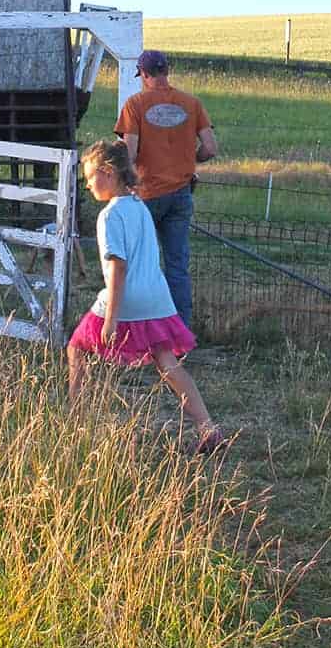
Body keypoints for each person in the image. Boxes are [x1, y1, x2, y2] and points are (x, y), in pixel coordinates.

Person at [68, 139, 224, 455]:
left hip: (126, 298)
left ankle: (76, 424)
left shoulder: (109, 216)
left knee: (76, 348)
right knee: (167, 362)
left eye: (90, 177)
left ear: (109, 173)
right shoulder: (139, 205)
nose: (87, 185)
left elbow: (118, 267)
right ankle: (208, 427)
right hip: (157, 297)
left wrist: (111, 320)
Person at [115, 50, 217, 328]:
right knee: (177, 267)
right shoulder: (191, 103)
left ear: (144, 74)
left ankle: (139, 328)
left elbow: (131, 153)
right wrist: (190, 158)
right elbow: (210, 147)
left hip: (147, 194)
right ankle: (180, 333)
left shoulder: (135, 104)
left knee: (138, 265)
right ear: (166, 71)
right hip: (181, 193)